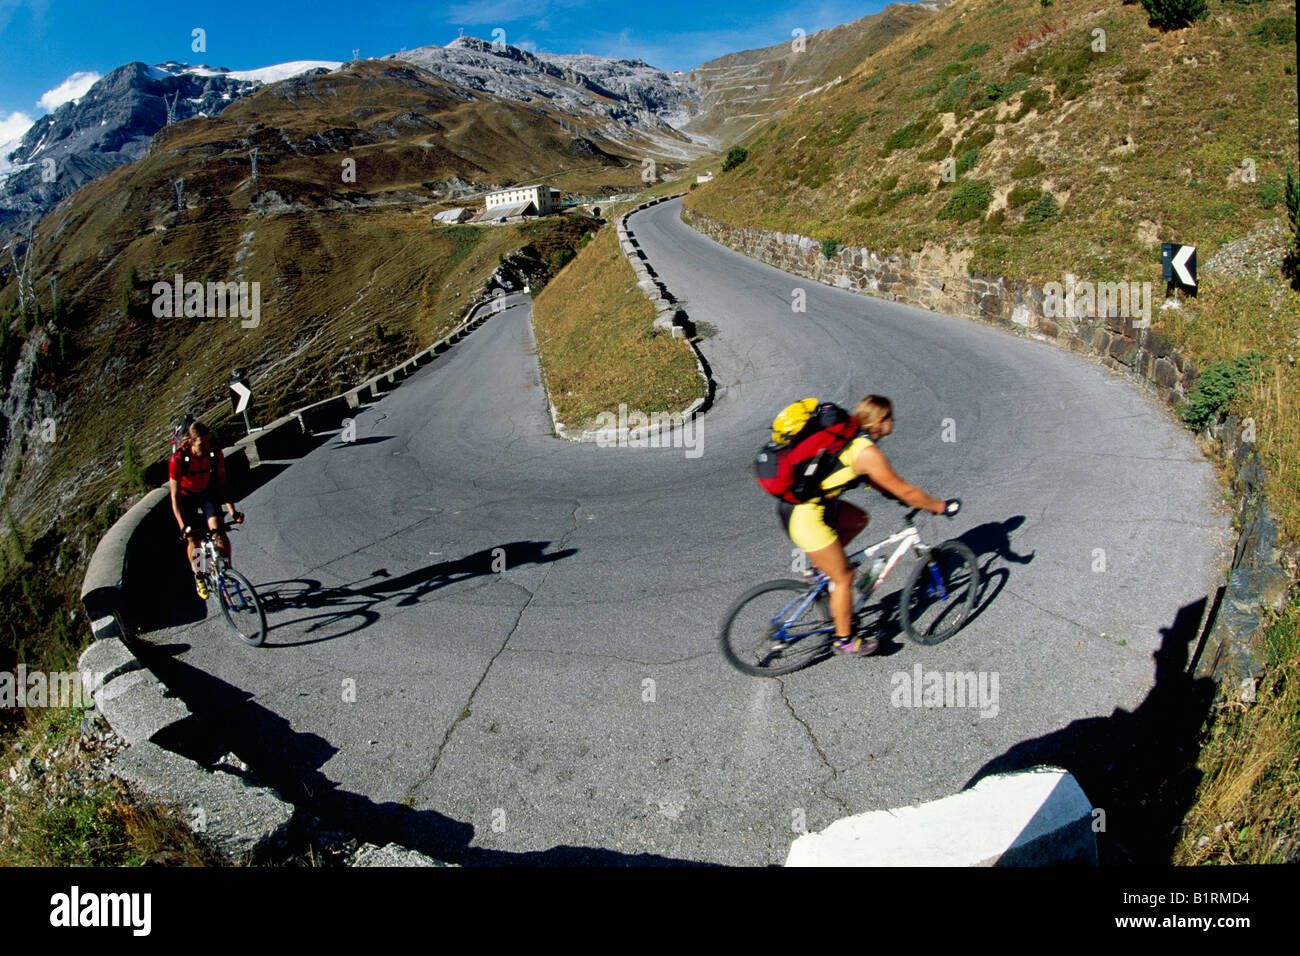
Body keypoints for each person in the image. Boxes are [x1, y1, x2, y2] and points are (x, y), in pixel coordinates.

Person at [777, 395, 959, 656]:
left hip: (801, 506)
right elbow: (905, 491)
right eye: (891, 418)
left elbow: (874, 481)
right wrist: (941, 506)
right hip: (805, 517)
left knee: (858, 519)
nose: (893, 422)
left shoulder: (852, 437)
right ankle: (845, 639)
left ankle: (819, 572)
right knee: (845, 577)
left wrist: (892, 494)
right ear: (882, 421)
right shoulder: (867, 452)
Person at [169, 421, 242, 598]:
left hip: (207, 493)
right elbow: (175, 496)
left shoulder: (214, 453)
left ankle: (226, 571)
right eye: (202, 443)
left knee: (219, 531)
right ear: (191, 442)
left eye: (208, 441)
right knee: (194, 541)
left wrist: (233, 510)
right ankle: (199, 576)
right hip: (187, 498)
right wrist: (182, 526)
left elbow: (223, 483)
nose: (206, 446)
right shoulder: (178, 460)